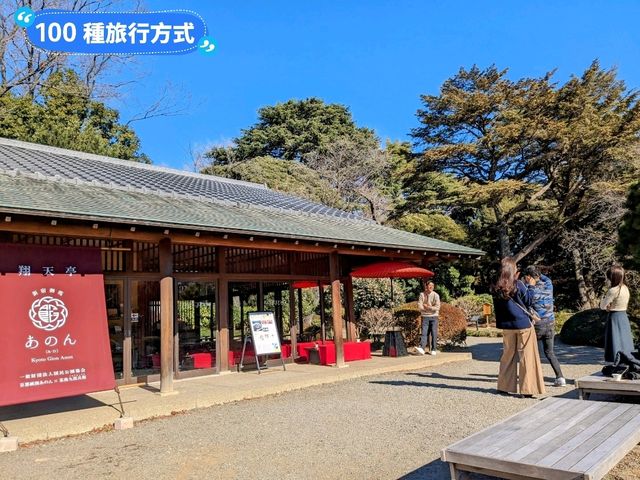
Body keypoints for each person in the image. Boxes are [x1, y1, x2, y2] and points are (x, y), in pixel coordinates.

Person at [491, 257, 545, 397]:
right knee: (527, 356)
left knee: (507, 356)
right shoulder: (518, 284)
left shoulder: (495, 287)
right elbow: (528, 301)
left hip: (507, 326)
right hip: (522, 324)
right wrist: (532, 286)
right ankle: (527, 389)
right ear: (512, 269)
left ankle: (504, 386)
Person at [522, 265, 566, 387]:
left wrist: (529, 281)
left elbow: (525, 301)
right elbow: (544, 278)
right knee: (550, 352)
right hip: (550, 323)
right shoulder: (548, 285)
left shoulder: (529, 289)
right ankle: (560, 377)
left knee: (531, 352)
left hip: (537, 325)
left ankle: (532, 379)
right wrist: (537, 274)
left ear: (528, 277)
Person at [600, 265, 635, 363]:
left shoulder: (613, 290)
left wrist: (603, 299)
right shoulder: (625, 288)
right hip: (623, 316)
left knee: (615, 341)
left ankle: (616, 363)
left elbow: (602, 306)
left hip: (614, 317)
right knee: (625, 341)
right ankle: (628, 361)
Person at [416, 280, 440, 355]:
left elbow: (437, 307)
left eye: (432, 286)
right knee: (424, 333)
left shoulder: (436, 295)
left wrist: (429, 307)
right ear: (426, 286)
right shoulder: (422, 294)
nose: (431, 287)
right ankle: (422, 348)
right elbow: (419, 305)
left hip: (434, 317)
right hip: (425, 316)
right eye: (429, 285)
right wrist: (425, 308)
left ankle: (433, 349)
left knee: (434, 333)